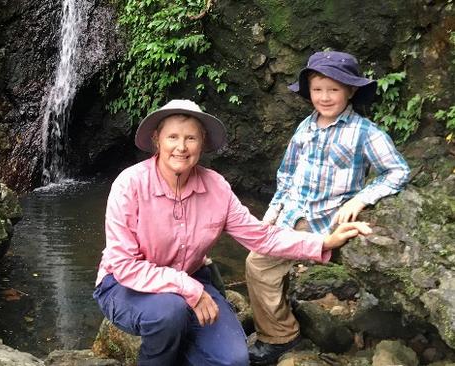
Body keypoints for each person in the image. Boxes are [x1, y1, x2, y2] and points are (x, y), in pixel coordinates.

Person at [93, 99, 373, 366]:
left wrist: (324, 240)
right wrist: (189, 289)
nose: (181, 146)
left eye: (191, 138)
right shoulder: (130, 184)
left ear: (202, 143)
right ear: (157, 140)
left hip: (192, 281)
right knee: (170, 312)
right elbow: (123, 264)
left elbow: (262, 236)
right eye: (173, 137)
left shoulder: (216, 187)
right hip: (126, 285)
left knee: (233, 360)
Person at [246, 51, 411, 365]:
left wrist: (361, 198)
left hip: (328, 218)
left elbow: (398, 170)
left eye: (333, 89)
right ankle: (282, 319)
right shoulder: (304, 128)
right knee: (260, 258)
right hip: (294, 212)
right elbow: (287, 174)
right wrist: (273, 212)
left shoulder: (364, 132)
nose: (324, 97)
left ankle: (280, 338)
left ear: (350, 91)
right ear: (308, 91)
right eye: (317, 89)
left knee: (258, 264)